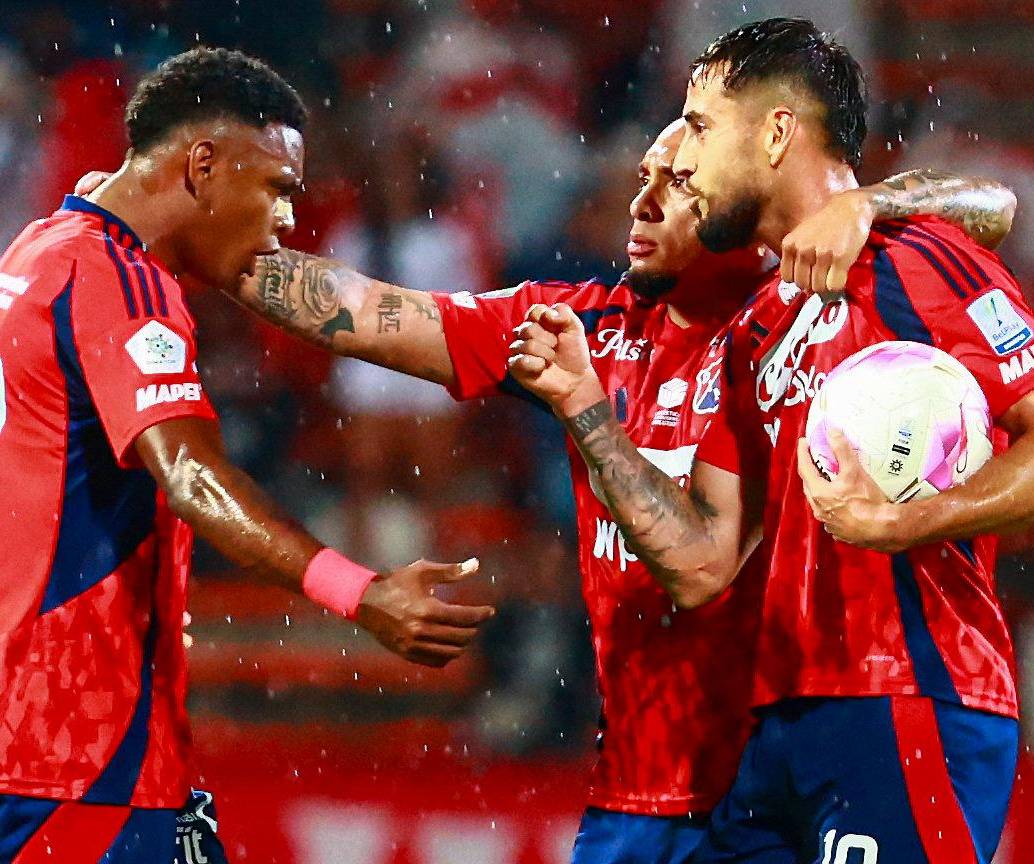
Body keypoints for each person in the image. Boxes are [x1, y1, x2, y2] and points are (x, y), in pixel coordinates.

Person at [79, 117, 1005, 859]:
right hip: (638, 794)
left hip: (784, 762)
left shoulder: (802, 319)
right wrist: (156, 225)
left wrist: (872, 201)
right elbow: (363, 311)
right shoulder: (583, 326)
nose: (635, 203)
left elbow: (990, 202)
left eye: (673, 186)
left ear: (735, 202)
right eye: (635, 178)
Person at [512, 17, 1031, 864]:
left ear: (778, 131)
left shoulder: (915, 260)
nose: (682, 160)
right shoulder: (755, 330)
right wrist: (584, 406)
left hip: (905, 696)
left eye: (703, 127)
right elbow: (704, 561)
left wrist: (915, 519)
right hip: (777, 728)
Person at [0, 47, 494, 864]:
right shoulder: (120, 278)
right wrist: (360, 592)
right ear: (202, 164)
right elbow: (194, 478)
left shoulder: (37, 251)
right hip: (78, 756)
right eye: (277, 188)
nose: (288, 219)